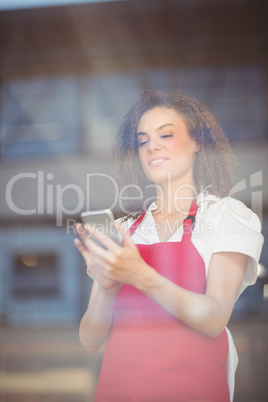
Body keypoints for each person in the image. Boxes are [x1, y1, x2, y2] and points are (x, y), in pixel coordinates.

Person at [74, 90, 264, 402]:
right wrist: (107, 287)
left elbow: (214, 318)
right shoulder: (124, 230)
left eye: (166, 134)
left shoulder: (227, 216)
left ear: (197, 141)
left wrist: (140, 275)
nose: (153, 147)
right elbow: (89, 339)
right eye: (143, 140)